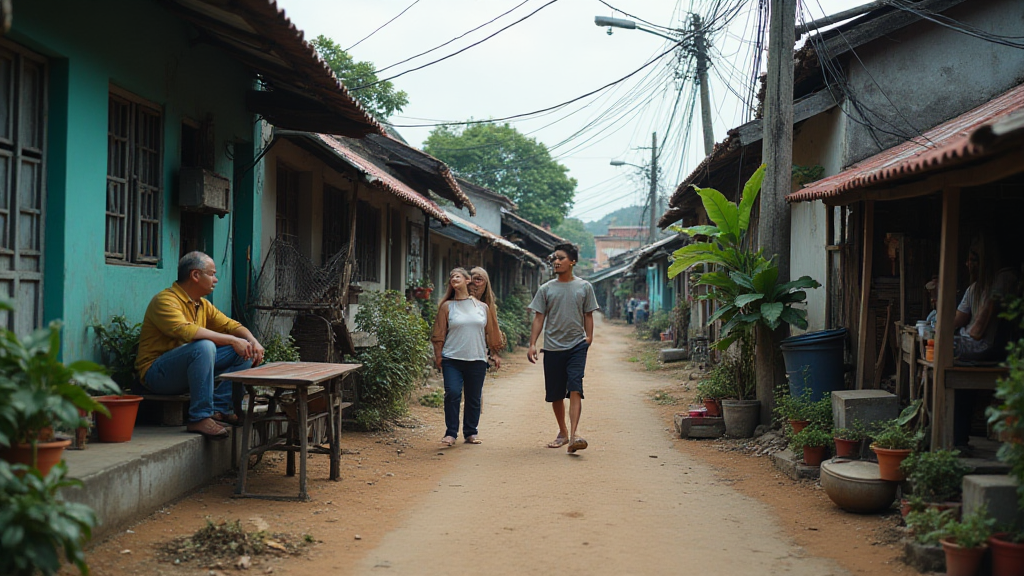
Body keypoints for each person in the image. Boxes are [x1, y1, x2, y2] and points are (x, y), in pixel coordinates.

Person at [136, 251, 265, 439]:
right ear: (195, 275)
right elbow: (185, 331)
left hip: (186, 369)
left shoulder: (202, 305)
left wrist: (253, 342)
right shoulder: (165, 301)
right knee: (204, 346)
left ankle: (218, 409)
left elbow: (231, 325)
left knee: (245, 350)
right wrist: (231, 340)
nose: (216, 279)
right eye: (212, 274)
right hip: (157, 374)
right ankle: (199, 417)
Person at [527, 243, 599, 454]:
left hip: (577, 345)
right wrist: (533, 344)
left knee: (575, 386)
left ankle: (575, 435)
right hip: (552, 347)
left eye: (561, 258)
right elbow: (539, 317)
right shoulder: (546, 289)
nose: (556, 262)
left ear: (573, 261)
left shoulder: (584, 287)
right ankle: (563, 432)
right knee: (556, 394)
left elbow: (588, 314)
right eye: (554, 259)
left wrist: (589, 338)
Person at [950, 233, 1018, 449]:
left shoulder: (1005, 278)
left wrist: (955, 338)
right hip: (969, 344)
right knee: (931, 348)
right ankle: (956, 440)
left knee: (945, 353)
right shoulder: (974, 288)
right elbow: (956, 321)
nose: (968, 264)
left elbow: (978, 330)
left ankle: (957, 440)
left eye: (973, 259)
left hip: (987, 347)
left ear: (984, 260)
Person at [431, 267, 504, 446]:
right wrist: (438, 355)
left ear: (467, 280)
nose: (453, 279)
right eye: (451, 277)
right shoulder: (447, 307)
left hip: (477, 359)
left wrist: (494, 353)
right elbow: (439, 333)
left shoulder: (482, 307)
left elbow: (491, 332)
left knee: (473, 397)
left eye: (457, 276)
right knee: (453, 393)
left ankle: (471, 432)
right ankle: (451, 433)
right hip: (452, 359)